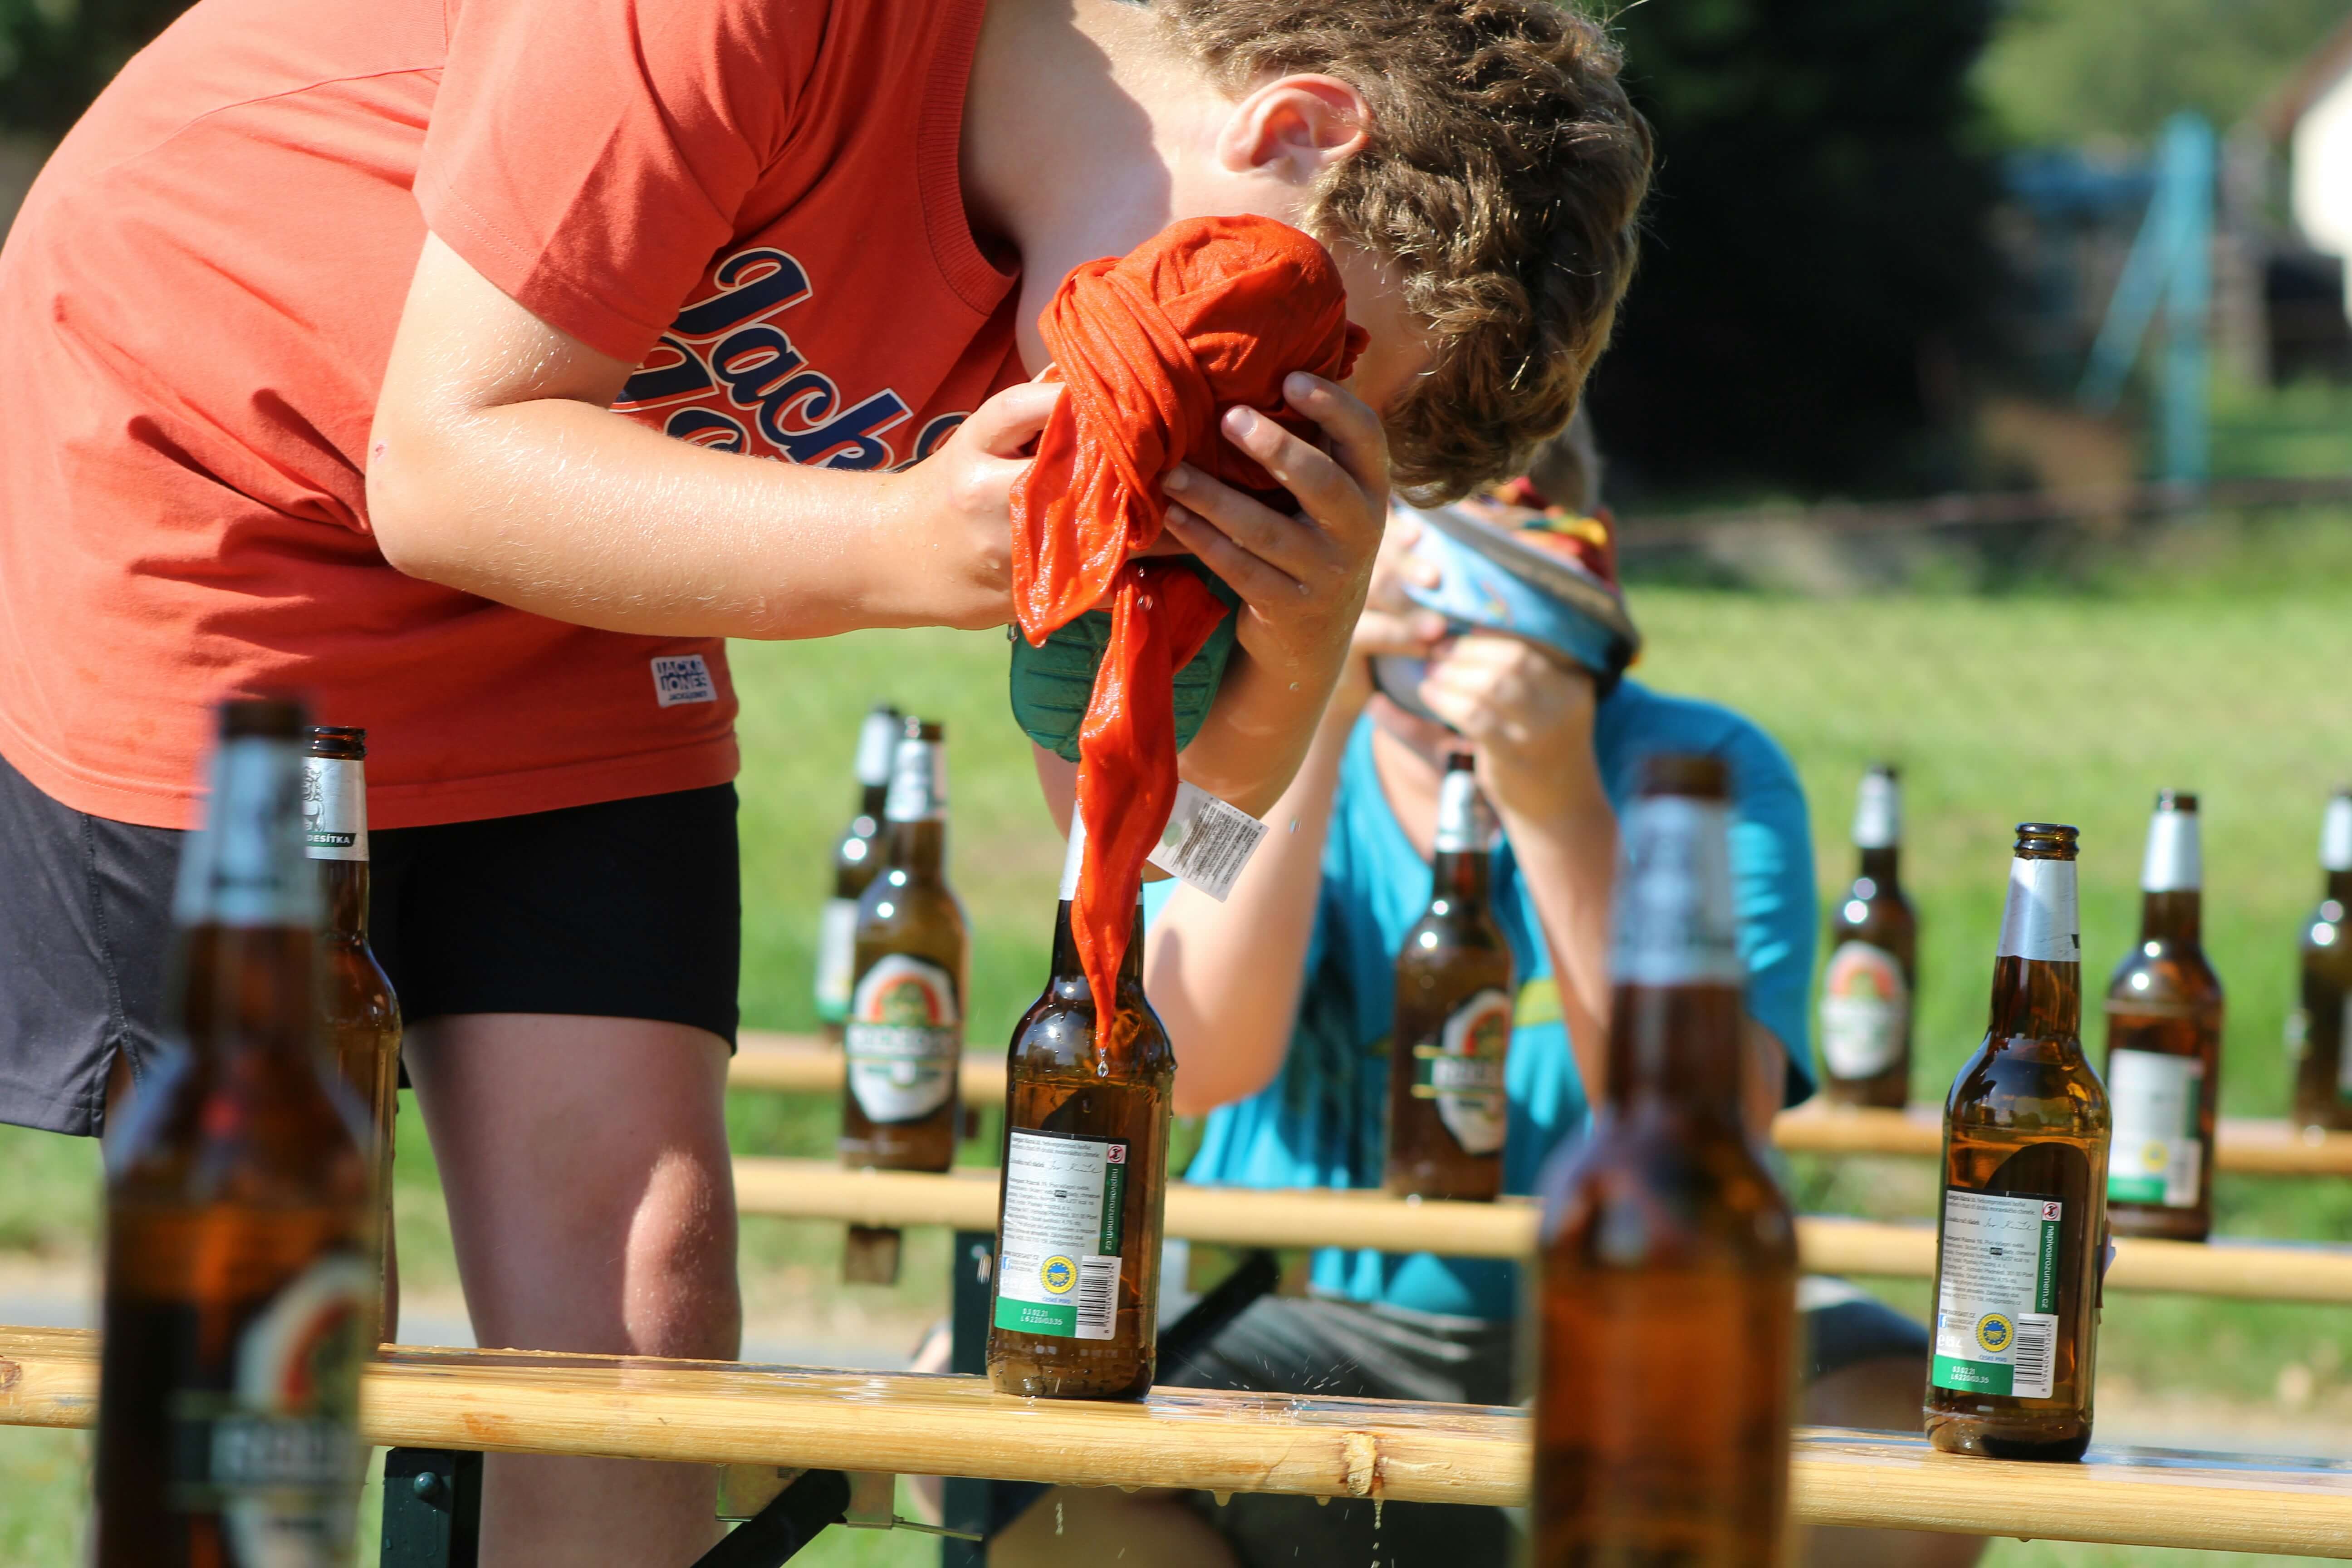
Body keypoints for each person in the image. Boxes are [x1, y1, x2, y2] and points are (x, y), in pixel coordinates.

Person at [0, 0, 1654, 1561]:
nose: (1239, 432)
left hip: (574, 560)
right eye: (1295, 355)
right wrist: (895, 540)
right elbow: (440, 468)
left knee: (644, 1292)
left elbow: (1154, 879)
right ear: (1293, 128)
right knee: (280, 1301)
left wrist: (1287, 672)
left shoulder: (1097, 306)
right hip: (226, 487)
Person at [1002, 416, 1979, 1568]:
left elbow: (1719, 1121)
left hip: (1625, 1304)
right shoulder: (1250, 740)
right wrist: (1314, 695)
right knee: (1011, 1460)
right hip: (1297, 1302)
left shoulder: (1702, 770)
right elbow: (1202, 1056)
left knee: (1903, 1436)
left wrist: (1554, 797)